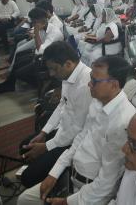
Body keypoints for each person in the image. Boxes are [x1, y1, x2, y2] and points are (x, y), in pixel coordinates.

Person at [17, 56, 136, 205]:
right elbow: (80, 138)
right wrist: (54, 173)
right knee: (24, 199)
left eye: (94, 81)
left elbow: (106, 184)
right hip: (71, 175)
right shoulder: (97, 101)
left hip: (90, 193)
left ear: (113, 85)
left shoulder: (123, 122)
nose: (89, 83)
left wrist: (67, 201)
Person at [18, 42, 93, 188]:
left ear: (68, 64)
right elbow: (61, 105)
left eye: (54, 69)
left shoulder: (85, 86)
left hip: (74, 141)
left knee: (27, 178)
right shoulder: (68, 76)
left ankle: (55, 184)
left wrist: (46, 146)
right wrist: (44, 132)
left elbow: (77, 130)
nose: (52, 74)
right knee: (24, 147)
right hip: (63, 131)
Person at [0, 7, 64, 92]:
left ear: (40, 21)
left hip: (49, 61)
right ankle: (9, 84)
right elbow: (38, 47)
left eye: (33, 22)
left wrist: (36, 32)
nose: (32, 24)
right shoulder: (44, 27)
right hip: (41, 56)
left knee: (19, 73)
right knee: (18, 57)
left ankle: (40, 86)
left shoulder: (54, 33)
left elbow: (40, 50)